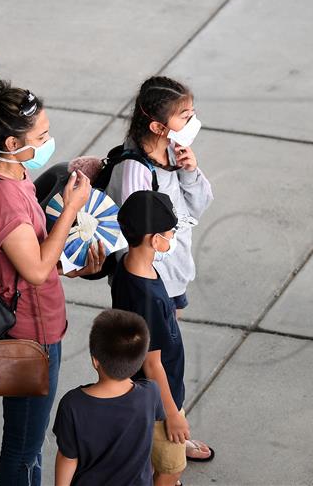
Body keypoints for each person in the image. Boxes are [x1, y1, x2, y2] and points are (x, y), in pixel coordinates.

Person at [0, 78, 102, 485]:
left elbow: (32, 259)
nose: (49, 142)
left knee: (27, 442)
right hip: (29, 334)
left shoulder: (17, 177)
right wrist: (71, 210)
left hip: (38, 321)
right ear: (12, 143)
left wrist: (67, 266)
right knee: (24, 448)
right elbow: (33, 271)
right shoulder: (4, 196)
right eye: (41, 135)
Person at [106, 76, 214, 462]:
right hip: (152, 282)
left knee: (166, 353)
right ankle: (161, 433)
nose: (193, 120)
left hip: (174, 275)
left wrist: (190, 171)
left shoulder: (174, 153)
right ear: (157, 126)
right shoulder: (136, 171)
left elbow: (198, 208)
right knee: (152, 362)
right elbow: (135, 235)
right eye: (185, 115)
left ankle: (168, 428)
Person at [111, 190, 197, 486]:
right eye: (169, 233)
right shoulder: (147, 297)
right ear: (153, 240)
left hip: (140, 393)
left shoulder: (127, 268)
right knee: (170, 467)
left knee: (146, 460)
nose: (171, 238)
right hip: (160, 398)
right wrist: (172, 414)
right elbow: (153, 364)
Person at [53, 309, 164, 486]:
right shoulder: (151, 393)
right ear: (139, 361)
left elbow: (68, 458)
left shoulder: (73, 405)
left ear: (95, 361)